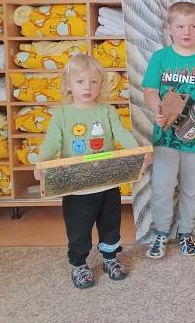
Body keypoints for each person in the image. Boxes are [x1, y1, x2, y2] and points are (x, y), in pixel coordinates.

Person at [35, 54, 139, 289]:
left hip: (108, 182)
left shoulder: (107, 111)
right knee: (78, 229)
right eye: (80, 81)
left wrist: (138, 151)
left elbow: (121, 134)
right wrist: (41, 163)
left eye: (94, 82)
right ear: (68, 85)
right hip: (76, 187)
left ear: (101, 85)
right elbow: (51, 144)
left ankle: (110, 258)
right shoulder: (62, 115)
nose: (87, 87)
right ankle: (79, 264)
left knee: (111, 224)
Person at [142, 1, 195, 259]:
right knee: (162, 187)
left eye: (192, 26)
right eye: (180, 26)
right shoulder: (160, 58)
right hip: (165, 137)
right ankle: (161, 232)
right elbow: (150, 90)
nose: (186, 31)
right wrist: (157, 109)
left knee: (191, 188)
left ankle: (186, 231)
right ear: (169, 28)